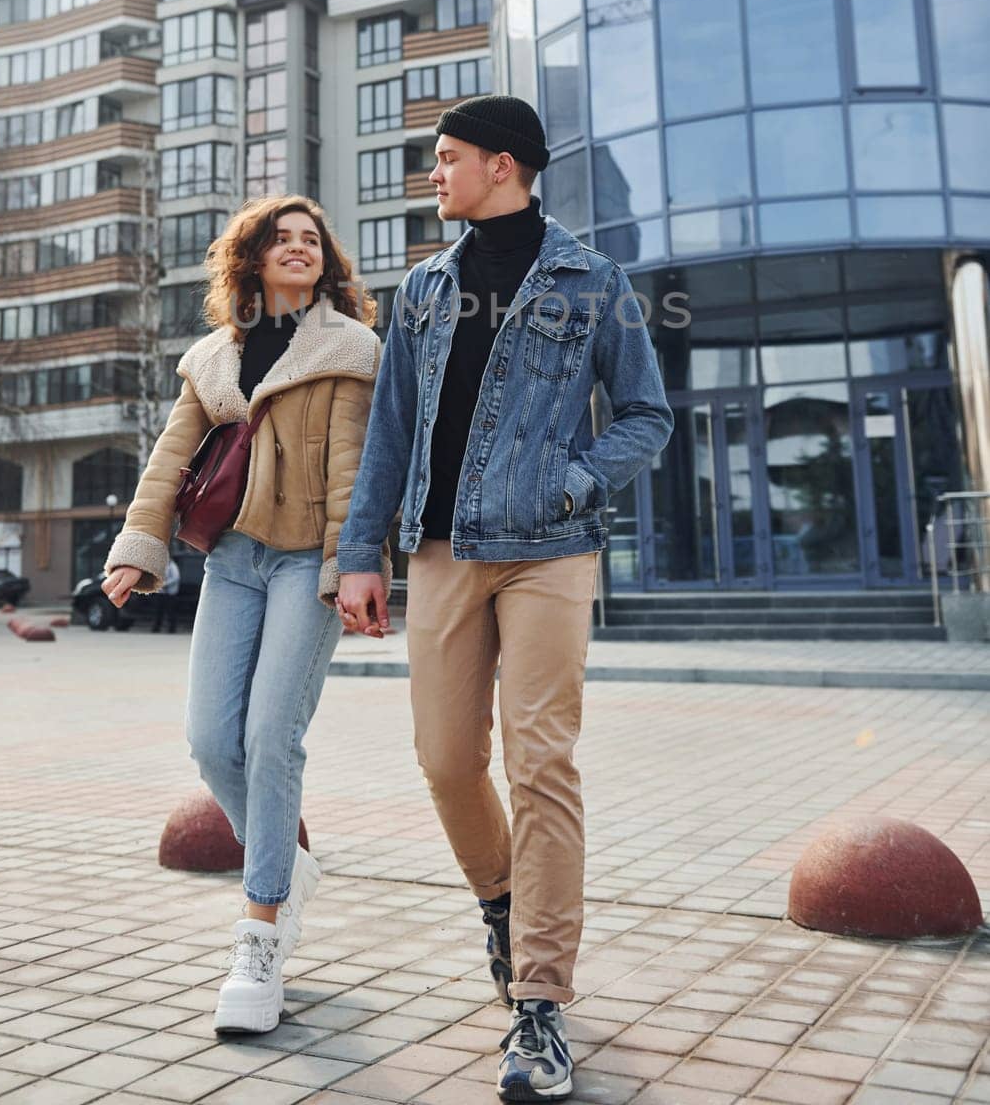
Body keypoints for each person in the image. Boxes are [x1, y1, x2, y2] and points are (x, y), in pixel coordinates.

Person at [335, 95, 673, 1102]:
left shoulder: (592, 280)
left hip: (548, 552)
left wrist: (570, 478)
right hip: (441, 552)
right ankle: (499, 899)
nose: (432, 174)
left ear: (503, 164)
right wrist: (364, 552)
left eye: (445, 158)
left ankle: (538, 1001)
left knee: (540, 762)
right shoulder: (425, 288)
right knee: (444, 758)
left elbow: (645, 415)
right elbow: (391, 430)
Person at [102, 195, 389, 1036]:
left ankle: (260, 933)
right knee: (208, 741)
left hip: (307, 565)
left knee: (271, 738)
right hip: (230, 564)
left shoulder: (351, 348)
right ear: (252, 257)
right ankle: (288, 866)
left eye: (310, 240)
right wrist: (136, 546)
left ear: (326, 262)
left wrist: (348, 567)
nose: (296, 248)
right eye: (280, 238)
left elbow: (350, 470)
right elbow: (167, 462)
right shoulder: (212, 356)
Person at [151, 554, 180, 634]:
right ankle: (156, 628)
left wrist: (165, 584)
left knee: (170, 611)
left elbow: (176, 578)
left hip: (170, 593)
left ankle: (172, 629)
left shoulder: (172, 566)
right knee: (158, 611)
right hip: (161, 593)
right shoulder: (161, 566)